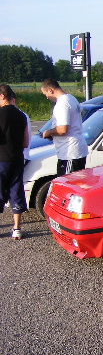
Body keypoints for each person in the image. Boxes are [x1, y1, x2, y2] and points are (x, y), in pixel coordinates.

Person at [40, 79, 88, 176]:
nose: (47, 97)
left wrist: (48, 132)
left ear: (50, 90)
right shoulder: (71, 98)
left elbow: (63, 129)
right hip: (77, 148)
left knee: (67, 184)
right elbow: (81, 114)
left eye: (45, 94)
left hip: (69, 152)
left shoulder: (62, 103)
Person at [0, 84, 29, 239]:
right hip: (17, 159)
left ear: (2, 96)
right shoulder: (21, 115)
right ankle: (16, 229)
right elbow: (26, 143)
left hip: (1, 159)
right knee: (16, 191)